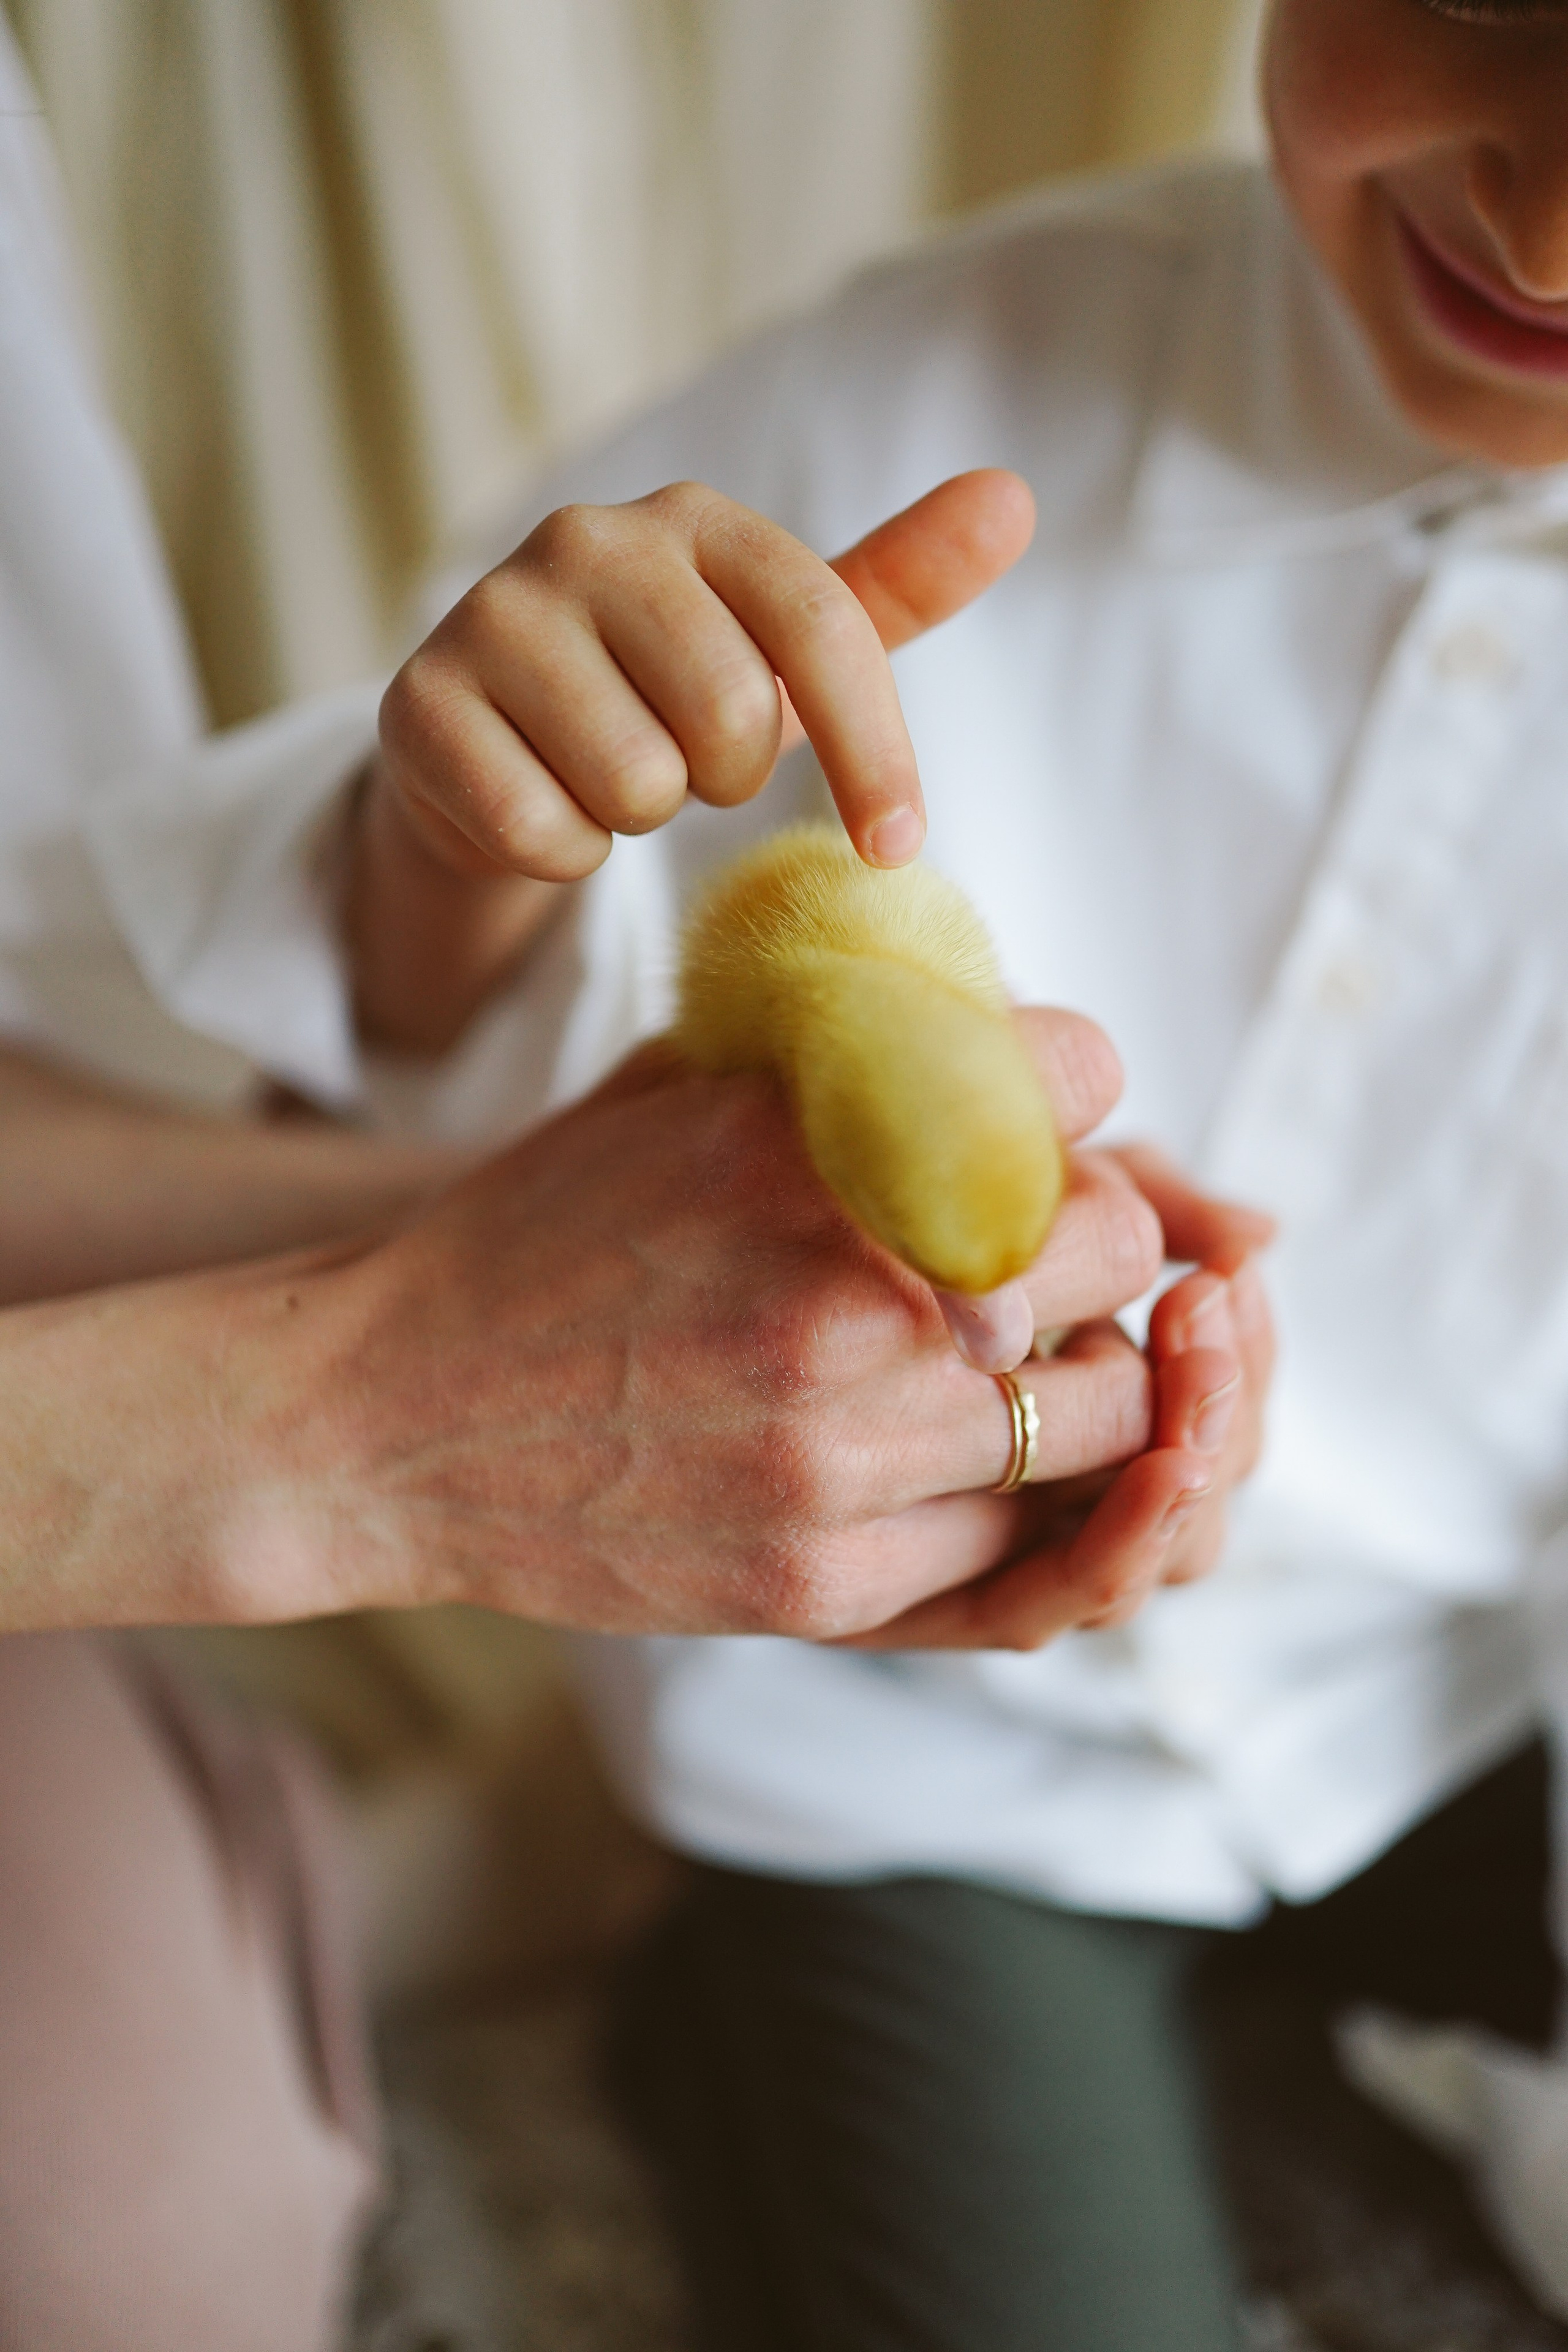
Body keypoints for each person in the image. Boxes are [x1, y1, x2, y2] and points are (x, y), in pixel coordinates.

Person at [306, 0, 1568, 2341]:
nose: (1540, 218)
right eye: (1487, 18)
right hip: (914, 1765)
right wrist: (452, 841)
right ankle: (717, 2008)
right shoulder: (909, 407)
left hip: (1458, 1701)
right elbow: (343, 1097)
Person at [0, 19, 1262, 2350]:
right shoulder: (951, 362)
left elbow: (69, 1061)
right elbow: (363, 996)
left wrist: (514, 1238)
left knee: (133, 2240)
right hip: (909, 1820)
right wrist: (350, 1419)